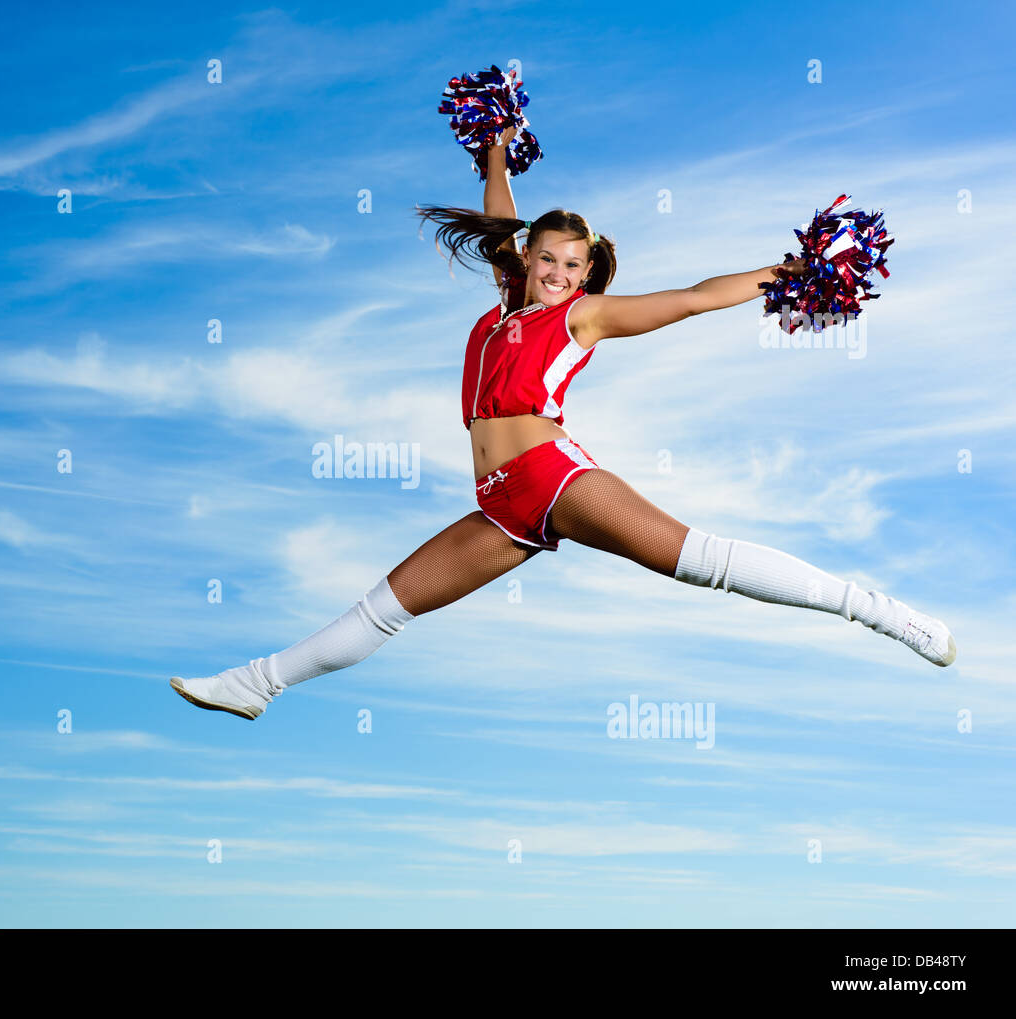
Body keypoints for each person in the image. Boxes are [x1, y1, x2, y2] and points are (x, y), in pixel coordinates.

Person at [171, 128, 955, 721]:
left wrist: (785, 274)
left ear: (587, 273)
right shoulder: (508, 300)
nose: (556, 273)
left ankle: (878, 610)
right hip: (499, 501)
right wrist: (495, 155)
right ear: (530, 260)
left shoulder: (583, 318)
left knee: (699, 560)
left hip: (554, 473)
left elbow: (689, 297)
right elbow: (499, 223)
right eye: (546, 259)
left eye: (571, 265)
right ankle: (257, 685)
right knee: (384, 607)